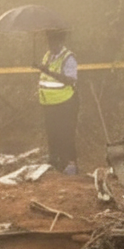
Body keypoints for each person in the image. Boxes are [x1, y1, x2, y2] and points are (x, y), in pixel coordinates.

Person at [37, 28, 78, 174]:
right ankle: (55, 163)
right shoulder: (48, 55)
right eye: (49, 42)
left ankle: (71, 165)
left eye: (53, 42)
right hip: (48, 103)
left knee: (65, 134)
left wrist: (48, 71)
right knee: (52, 134)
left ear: (60, 41)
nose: (50, 45)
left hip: (65, 103)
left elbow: (70, 79)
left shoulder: (69, 58)